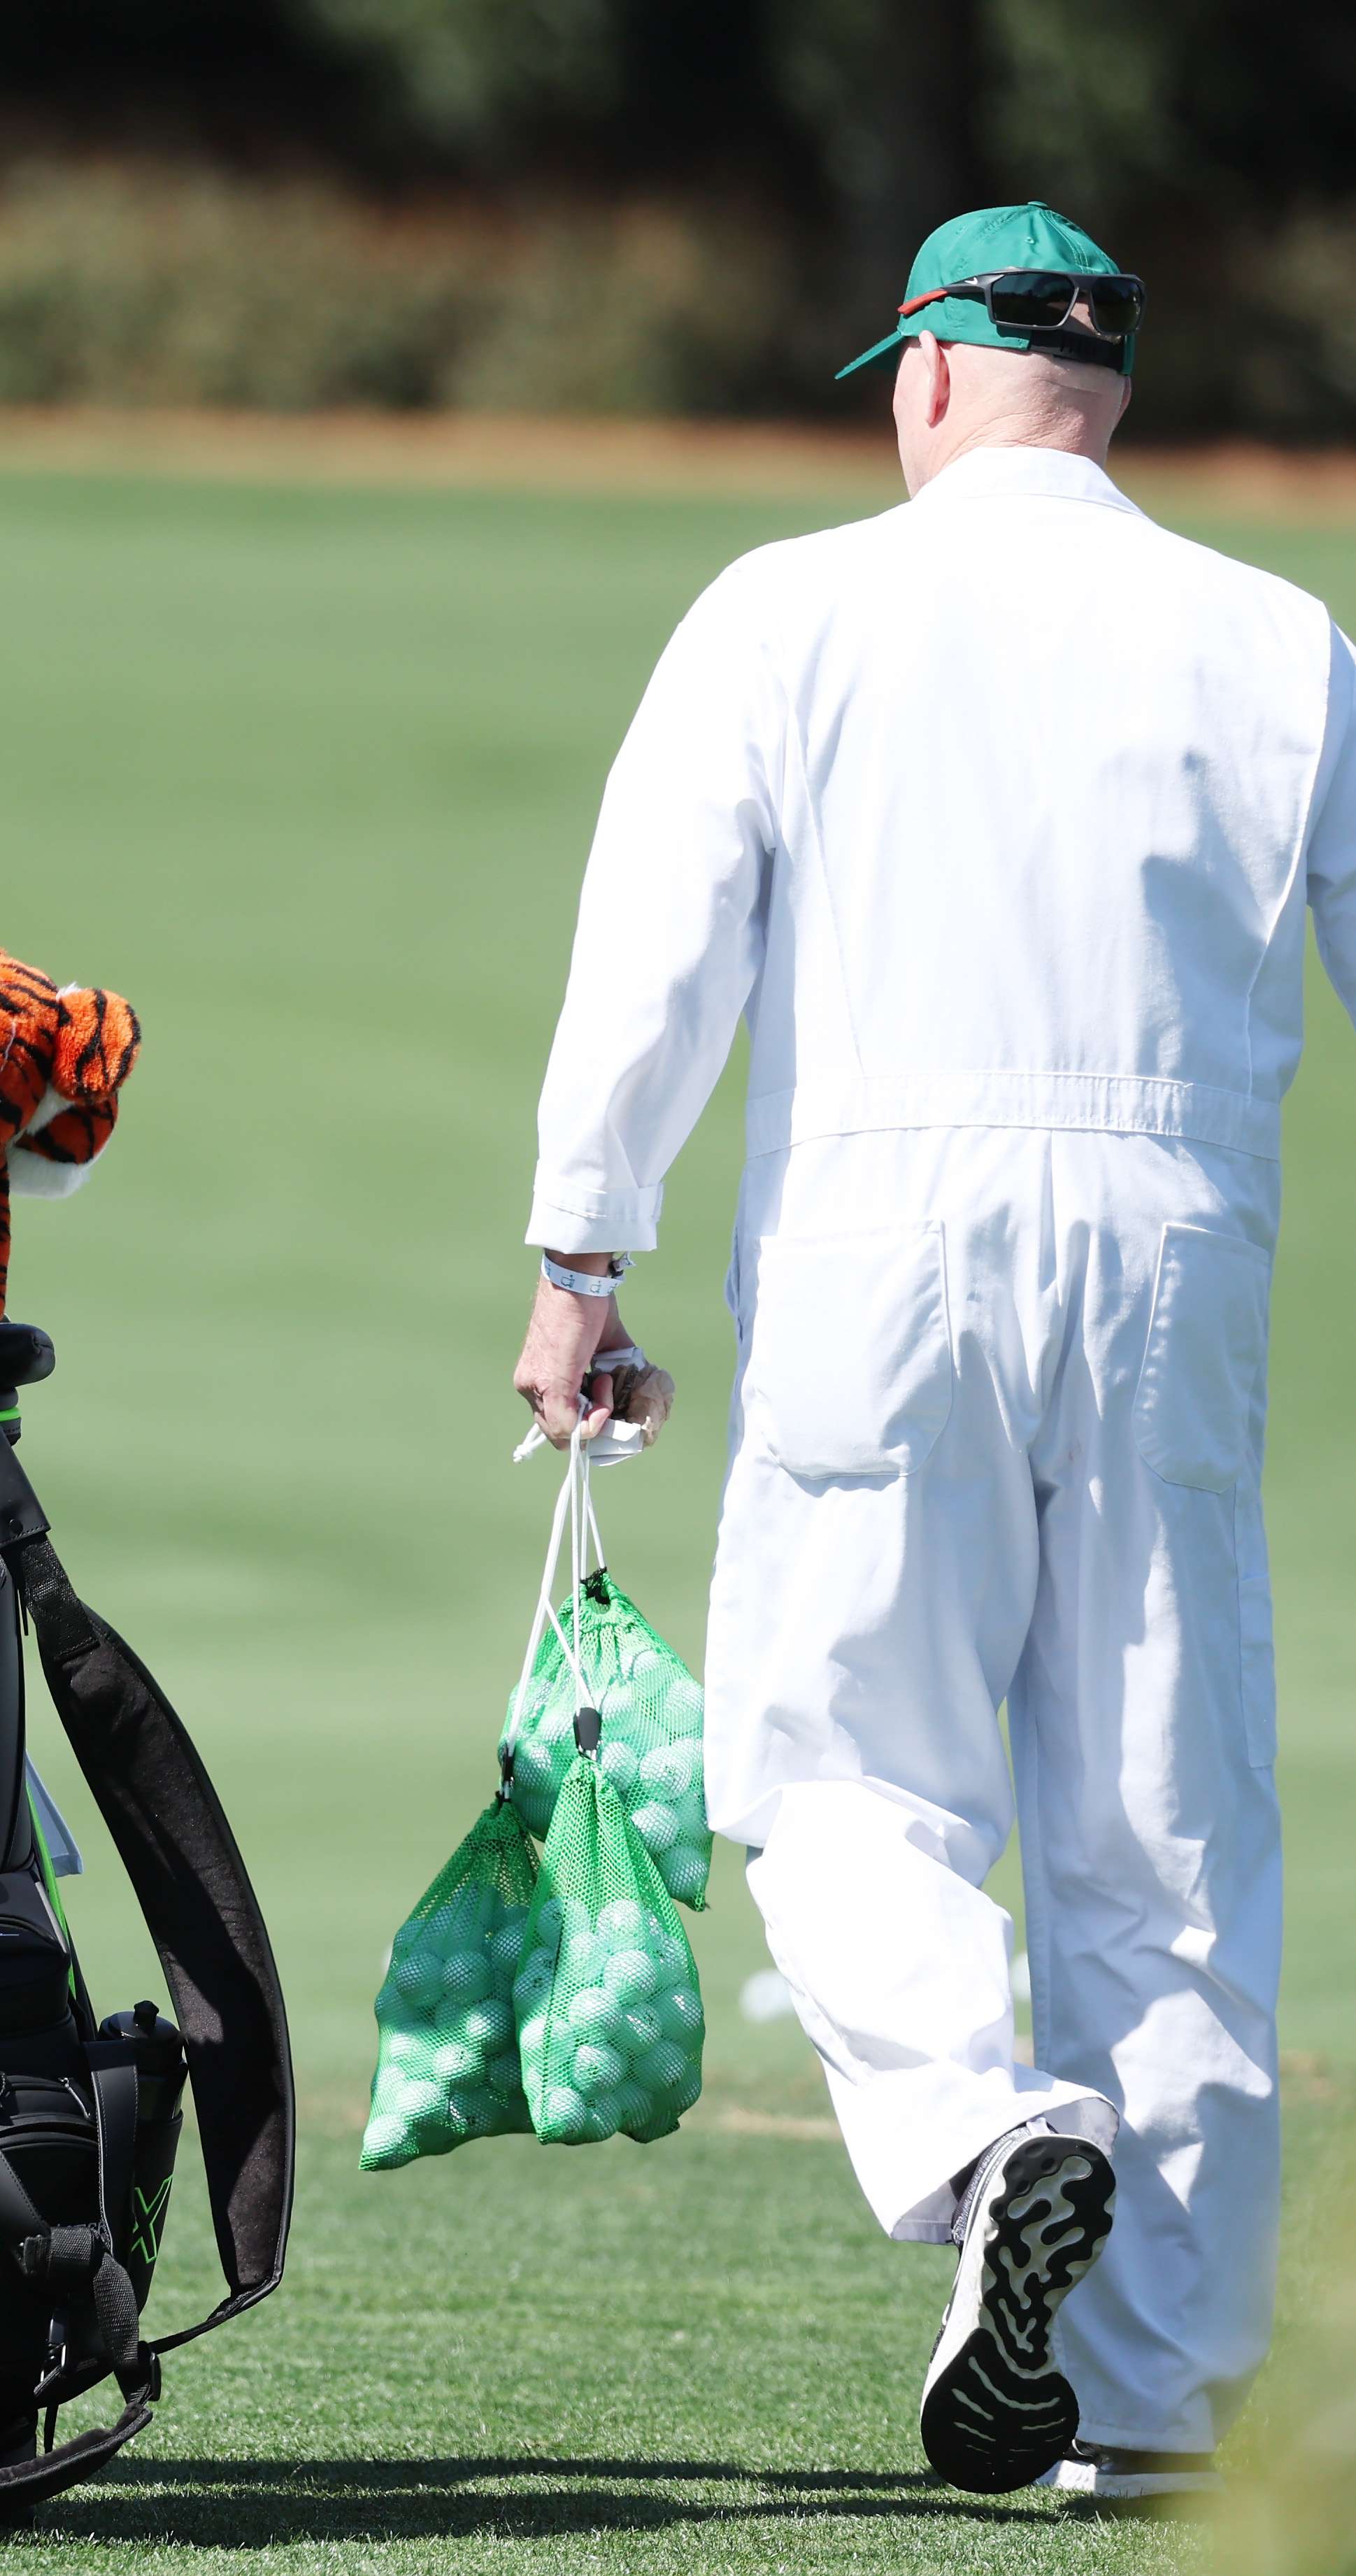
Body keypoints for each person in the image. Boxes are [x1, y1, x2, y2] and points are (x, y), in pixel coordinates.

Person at [511, 202, 1356, 2511]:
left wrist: (581, 1249)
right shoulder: (1282, 639)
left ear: (922, 378)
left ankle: (982, 2127)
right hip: (1182, 1248)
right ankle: (1160, 2388)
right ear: (1106, 389)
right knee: (1164, 1820)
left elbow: (656, 942)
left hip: (885, 1239)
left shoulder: (792, 606)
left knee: (830, 1773)